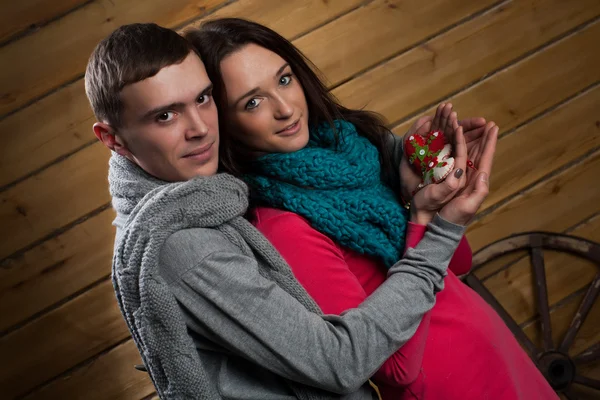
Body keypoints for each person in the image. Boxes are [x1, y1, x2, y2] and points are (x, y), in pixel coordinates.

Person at [85, 22, 484, 399]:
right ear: (113, 139)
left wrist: (417, 173)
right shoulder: (184, 244)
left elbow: (456, 272)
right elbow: (341, 362)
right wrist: (437, 227)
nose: (200, 128)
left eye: (203, 99)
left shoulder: (217, 202)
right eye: (165, 115)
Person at [186, 18, 558, 399]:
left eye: (284, 80)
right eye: (252, 102)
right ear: (225, 124)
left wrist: (432, 194)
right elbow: (394, 369)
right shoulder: (283, 226)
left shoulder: (353, 154)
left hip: (498, 358)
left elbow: (456, 268)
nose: (285, 108)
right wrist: (425, 220)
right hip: (453, 386)